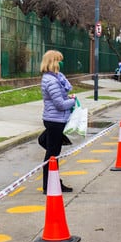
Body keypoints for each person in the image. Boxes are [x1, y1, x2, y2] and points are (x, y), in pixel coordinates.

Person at [39, 49, 75, 194]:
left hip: (54, 119)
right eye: (59, 60)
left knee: (52, 150)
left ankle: (53, 182)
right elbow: (59, 104)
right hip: (55, 120)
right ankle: (49, 185)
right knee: (53, 154)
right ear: (53, 62)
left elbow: (60, 99)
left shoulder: (56, 78)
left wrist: (68, 98)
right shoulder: (51, 81)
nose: (61, 63)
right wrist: (73, 101)